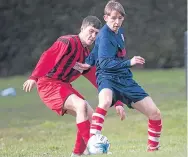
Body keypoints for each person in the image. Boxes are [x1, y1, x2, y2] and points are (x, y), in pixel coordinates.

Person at [22, 15, 125, 157]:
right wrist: (34, 77)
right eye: (91, 31)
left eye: (96, 33)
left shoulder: (87, 55)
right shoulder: (67, 42)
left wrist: (117, 101)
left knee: (91, 116)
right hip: (48, 84)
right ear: (82, 28)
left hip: (63, 86)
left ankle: (78, 154)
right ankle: (93, 148)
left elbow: (98, 79)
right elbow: (48, 56)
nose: (93, 36)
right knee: (81, 105)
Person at [75, 1, 162, 152]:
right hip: (107, 76)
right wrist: (130, 62)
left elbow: (96, 50)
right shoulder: (104, 35)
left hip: (125, 79)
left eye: (120, 18)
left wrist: (89, 62)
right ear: (106, 17)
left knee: (154, 113)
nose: (117, 22)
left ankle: (153, 150)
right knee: (105, 101)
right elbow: (105, 63)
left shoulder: (119, 32)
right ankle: (92, 145)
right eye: (113, 18)